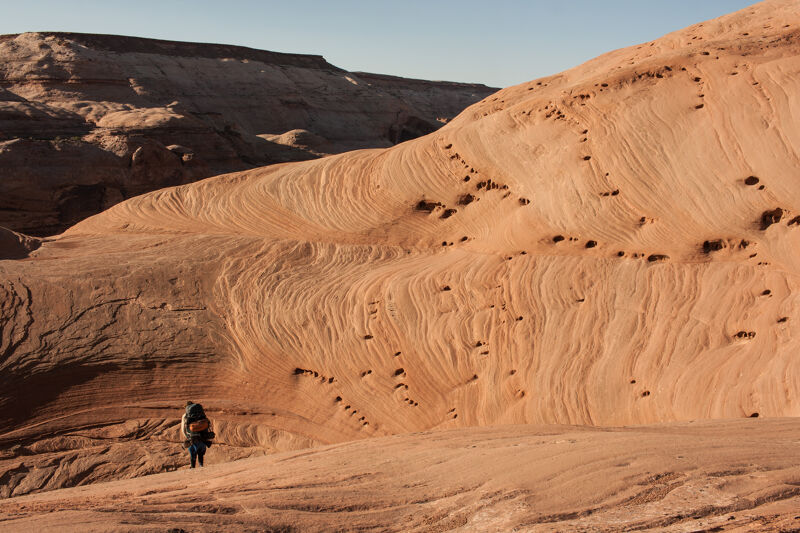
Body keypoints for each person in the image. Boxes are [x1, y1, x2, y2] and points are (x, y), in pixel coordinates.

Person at [180, 400, 213, 468]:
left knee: (193, 455)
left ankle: (193, 468)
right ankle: (201, 466)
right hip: (202, 436)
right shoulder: (201, 414)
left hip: (192, 437)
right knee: (200, 454)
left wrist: (187, 436)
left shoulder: (185, 416)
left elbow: (183, 428)